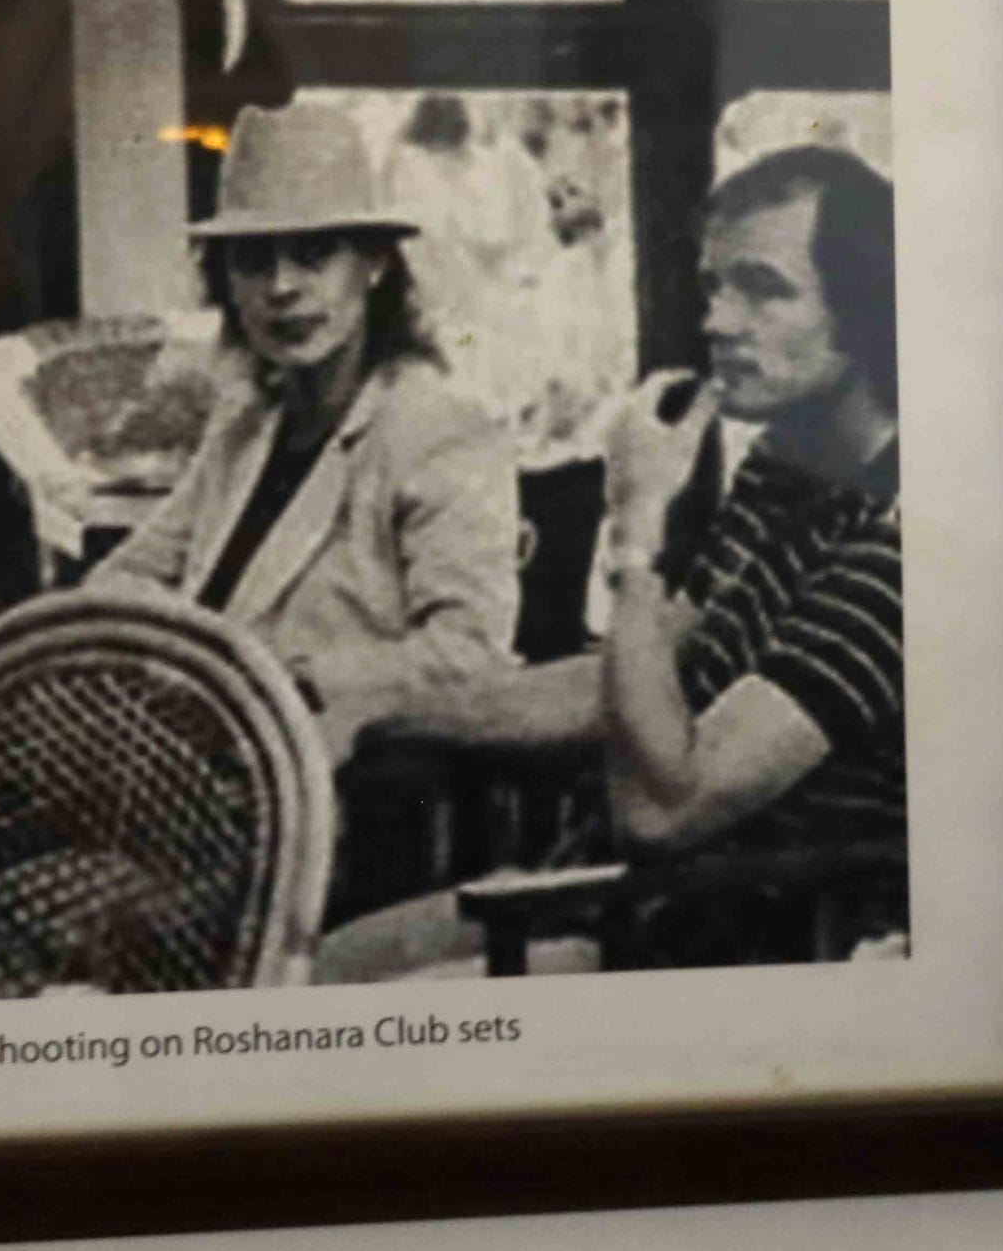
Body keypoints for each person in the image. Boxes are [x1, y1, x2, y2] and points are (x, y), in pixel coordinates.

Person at [317, 143, 905, 978]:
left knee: (353, 1018)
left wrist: (635, 528)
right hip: (612, 899)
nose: (717, 322)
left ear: (869, 307)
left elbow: (664, 809)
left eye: (763, 289)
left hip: (736, 950)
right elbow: (629, 683)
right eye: (713, 285)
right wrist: (374, 713)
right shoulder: (783, 470)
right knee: (312, 966)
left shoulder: (898, 533)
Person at [88, 104, 523, 903]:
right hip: (197, 783)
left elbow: (472, 650)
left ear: (376, 265)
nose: (281, 287)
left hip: (333, 812)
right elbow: (127, 579)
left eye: (313, 255)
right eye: (253, 260)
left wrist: (289, 673)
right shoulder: (249, 422)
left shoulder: (433, 427)